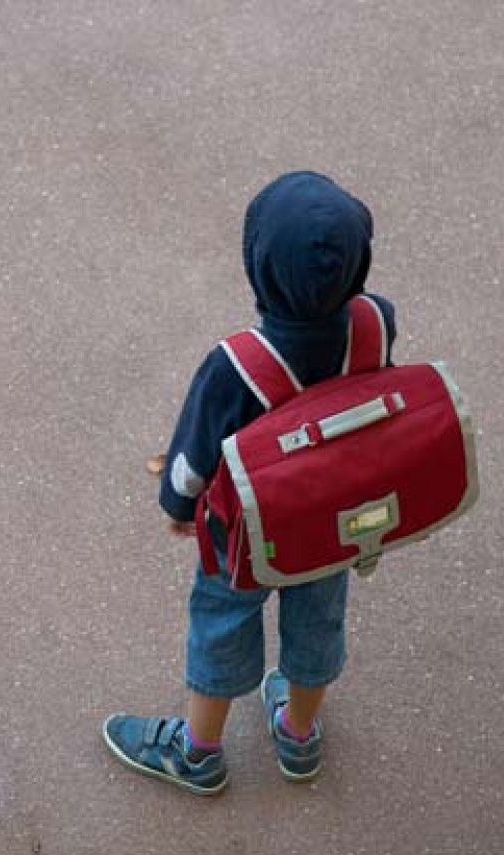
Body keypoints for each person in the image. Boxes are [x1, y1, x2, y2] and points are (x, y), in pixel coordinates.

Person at [101, 171, 397, 794]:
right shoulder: (375, 321)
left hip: (243, 535)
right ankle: (297, 734)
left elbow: (193, 455)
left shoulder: (238, 364)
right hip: (331, 523)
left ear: (258, 267)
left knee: (222, 622)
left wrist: (178, 506)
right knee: (318, 623)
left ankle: (200, 752)